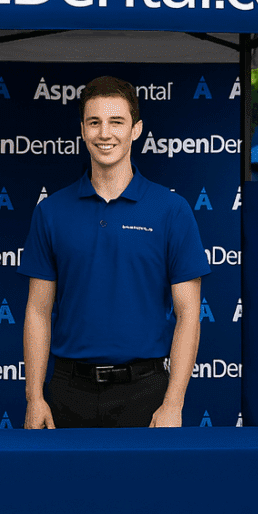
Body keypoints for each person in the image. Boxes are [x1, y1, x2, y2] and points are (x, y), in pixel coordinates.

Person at [19, 76, 211, 429]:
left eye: (116, 122)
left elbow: (188, 315)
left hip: (145, 393)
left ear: (136, 129)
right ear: (82, 130)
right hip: (66, 391)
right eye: (95, 122)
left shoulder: (172, 209)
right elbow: (37, 310)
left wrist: (173, 403)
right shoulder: (51, 211)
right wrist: (35, 396)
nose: (105, 133)